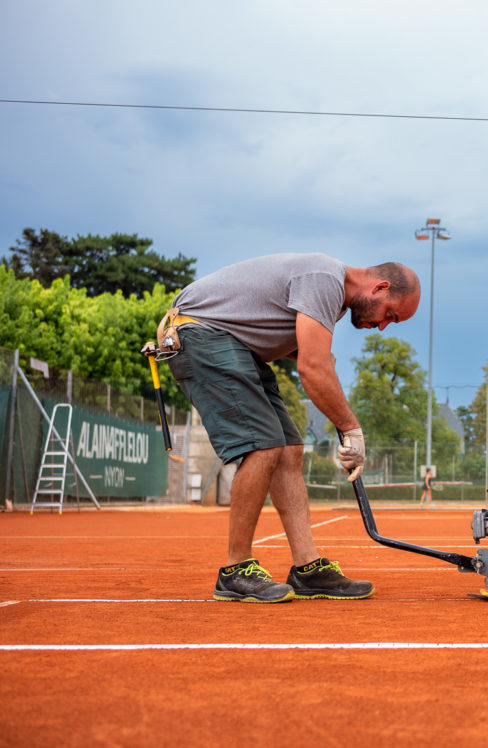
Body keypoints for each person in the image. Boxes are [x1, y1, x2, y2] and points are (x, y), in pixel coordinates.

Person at [164, 253, 420, 603]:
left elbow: (298, 349)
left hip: (237, 344)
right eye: (390, 315)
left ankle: (308, 568)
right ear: (380, 287)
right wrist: (351, 429)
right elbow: (311, 369)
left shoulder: (334, 301)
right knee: (263, 446)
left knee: (288, 448)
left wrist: (313, 357)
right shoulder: (324, 279)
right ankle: (234, 570)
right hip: (200, 333)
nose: (383, 326)